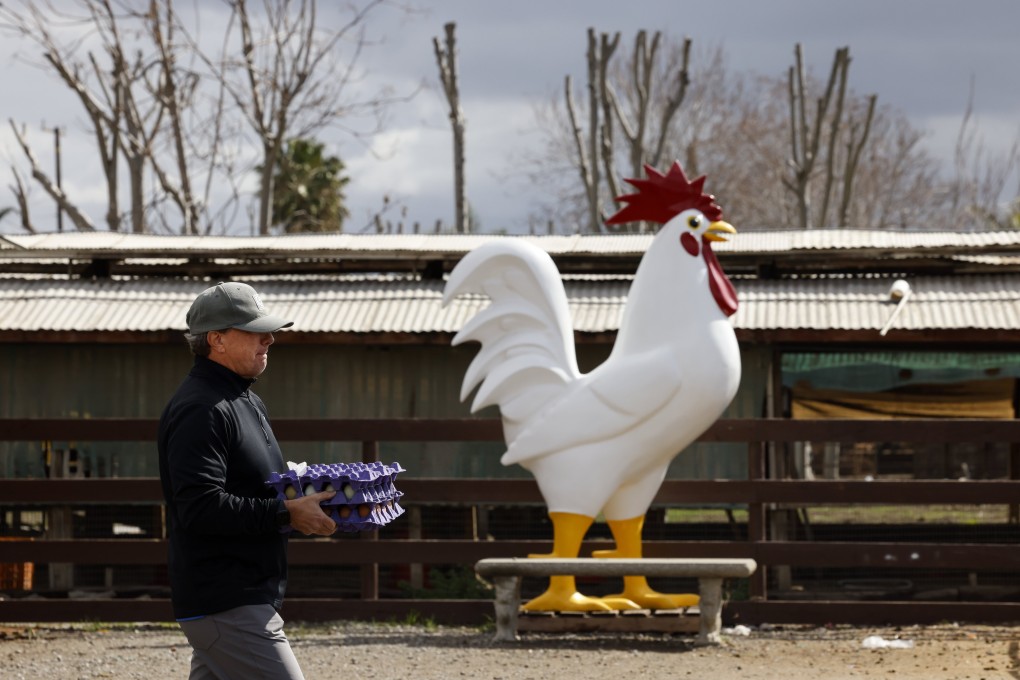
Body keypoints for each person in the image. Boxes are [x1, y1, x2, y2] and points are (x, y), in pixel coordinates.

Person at [158, 281, 337, 680]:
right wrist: (285, 513)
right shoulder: (201, 408)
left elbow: (250, 487)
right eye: (255, 331)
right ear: (216, 340)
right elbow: (200, 507)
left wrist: (303, 496)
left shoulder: (243, 400)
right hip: (228, 602)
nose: (269, 339)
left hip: (236, 598)